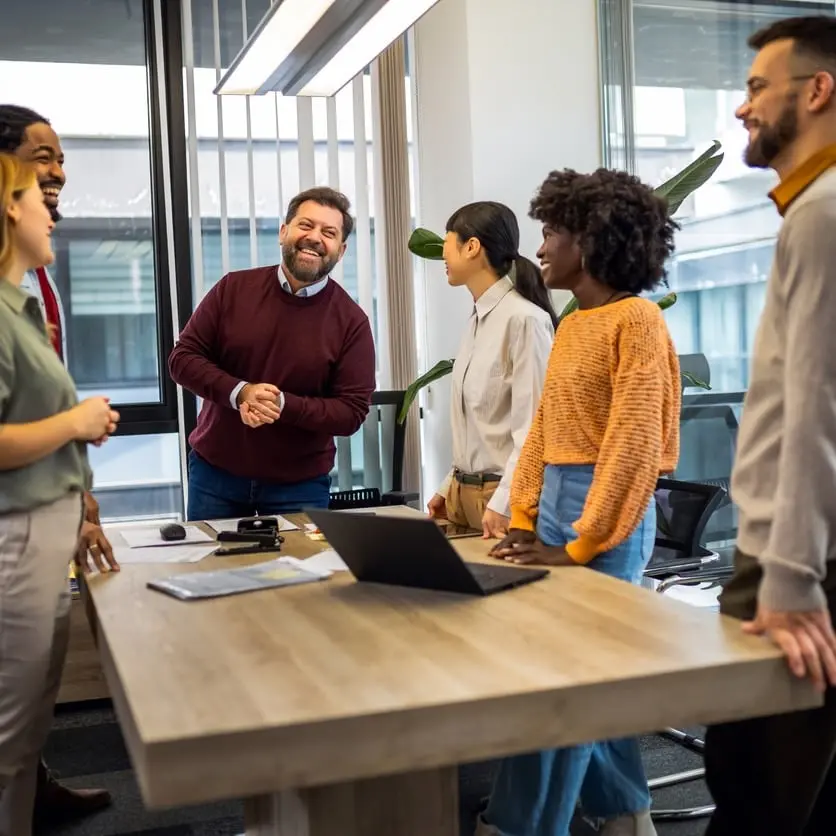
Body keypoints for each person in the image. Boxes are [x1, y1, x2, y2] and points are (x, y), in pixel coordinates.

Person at [477, 168, 681, 836]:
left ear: (591, 240)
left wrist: (579, 543)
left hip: (609, 516)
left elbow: (632, 445)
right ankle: (626, 818)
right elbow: (544, 431)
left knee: (563, 687)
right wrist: (528, 515)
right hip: (563, 510)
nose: (540, 247)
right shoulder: (573, 323)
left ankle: (520, 825)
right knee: (590, 679)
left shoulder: (638, 320)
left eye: (552, 232)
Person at [702, 17, 836, 836]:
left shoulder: (823, 214)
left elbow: (819, 406)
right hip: (792, 555)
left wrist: (790, 581)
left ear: (818, 91)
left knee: (762, 797)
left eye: (758, 86)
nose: (744, 107)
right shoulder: (811, 210)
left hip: (794, 568)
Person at [0, 104, 115, 822]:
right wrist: (77, 422)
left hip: (50, 509)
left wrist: (82, 500)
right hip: (16, 528)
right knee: (10, 721)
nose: (59, 179)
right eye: (42, 159)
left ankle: (29, 797)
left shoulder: (27, 292)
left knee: (27, 710)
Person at [169, 186, 376, 521]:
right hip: (215, 475)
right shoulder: (232, 289)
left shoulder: (352, 322)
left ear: (341, 250)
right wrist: (241, 393)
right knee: (214, 572)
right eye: (305, 225)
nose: (315, 238)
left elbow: (351, 412)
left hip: (299, 486)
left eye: (329, 232)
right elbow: (182, 359)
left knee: (305, 573)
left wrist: (282, 405)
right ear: (284, 232)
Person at [426, 201, 555, 538]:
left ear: (471, 247)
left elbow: (533, 432)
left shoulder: (525, 320)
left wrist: (506, 502)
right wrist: (447, 486)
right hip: (462, 498)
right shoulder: (477, 321)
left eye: (447, 239)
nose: (442, 252)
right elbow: (478, 428)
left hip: (500, 501)